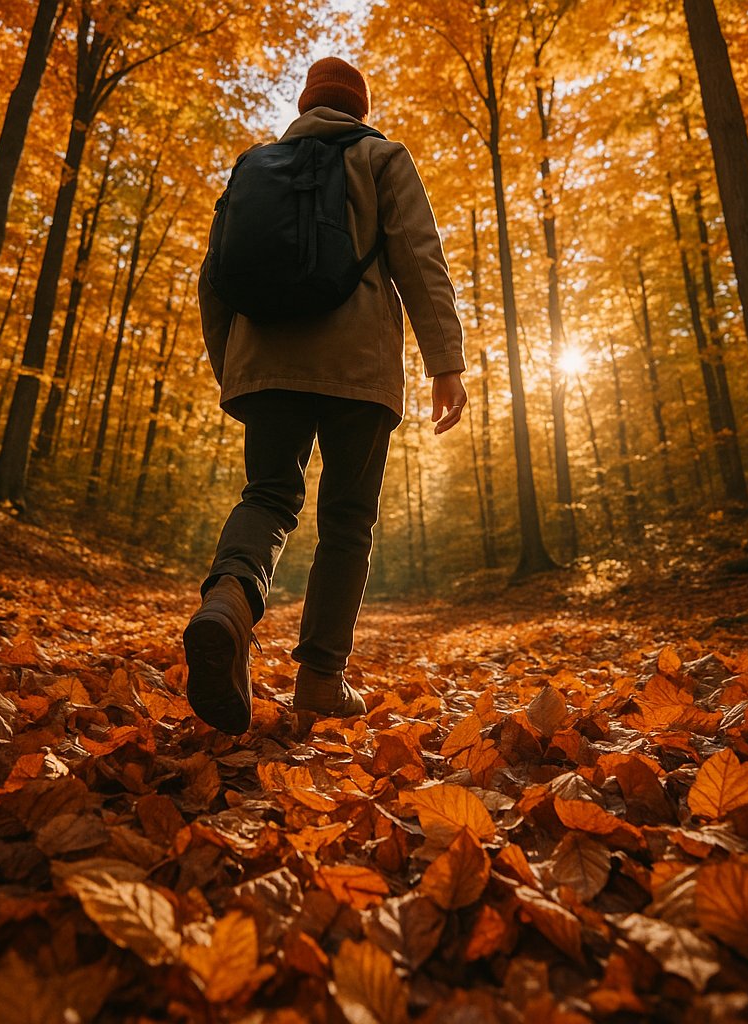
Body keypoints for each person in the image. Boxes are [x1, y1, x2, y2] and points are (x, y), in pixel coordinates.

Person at [184, 56, 466, 735]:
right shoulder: (382, 156)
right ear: (359, 109)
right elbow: (419, 258)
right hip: (359, 367)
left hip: (267, 360)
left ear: (306, 105)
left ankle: (229, 597)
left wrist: (236, 367)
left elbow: (214, 274)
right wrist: (445, 363)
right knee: (347, 520)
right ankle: (320, 677)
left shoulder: (257, 165)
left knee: (270, 496)